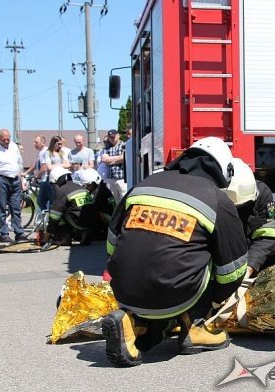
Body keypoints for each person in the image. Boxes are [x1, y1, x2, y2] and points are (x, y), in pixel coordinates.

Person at [102, 136, 248, 367]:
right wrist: (216, 302)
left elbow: (112, 244)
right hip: (173, 295)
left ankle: (132, 323)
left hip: (124, 292)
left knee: (170, 259)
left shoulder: (144, 184)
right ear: (223, 169)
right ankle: (195, 327)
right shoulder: (216, 198)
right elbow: (233, 268)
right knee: (207, 255)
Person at [223, 158, 275, 276]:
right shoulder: (213, 196)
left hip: (249, 244)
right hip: (224, 245)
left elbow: (266, 235)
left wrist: (251, 266)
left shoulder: (263, 193)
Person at [0, 129, 28, 243]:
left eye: (9, 138)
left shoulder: (13, 146)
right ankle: (4, 233)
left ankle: (19, 232)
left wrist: (21, 179)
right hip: (1, 179)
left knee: (16, 207)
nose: (7, 141)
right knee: (2, 207)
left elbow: (18, 164)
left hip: (15, 179)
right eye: (4, 139)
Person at [45, 166, 97, 246]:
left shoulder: (61, 190)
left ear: (57, 180)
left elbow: (55, 216)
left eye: (54, 184)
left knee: (58, 214)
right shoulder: (78, 186)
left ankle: (64, 239)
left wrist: (48, 233)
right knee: (72, 208)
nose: (54, 186)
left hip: (79, 221)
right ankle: (84, 235)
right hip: (92, 221)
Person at [101, 129, 127, 204]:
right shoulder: (107, 147)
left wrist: (111, 161)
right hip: (111, 178)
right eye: (110, 137)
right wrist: (118, 158)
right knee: (114, 201)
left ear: (118, 136)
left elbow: (124, 157)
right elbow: (104, 159)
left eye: (113, 137)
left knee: (124, 199)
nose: (112, 139)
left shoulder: (124, 145)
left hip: (122, 178)